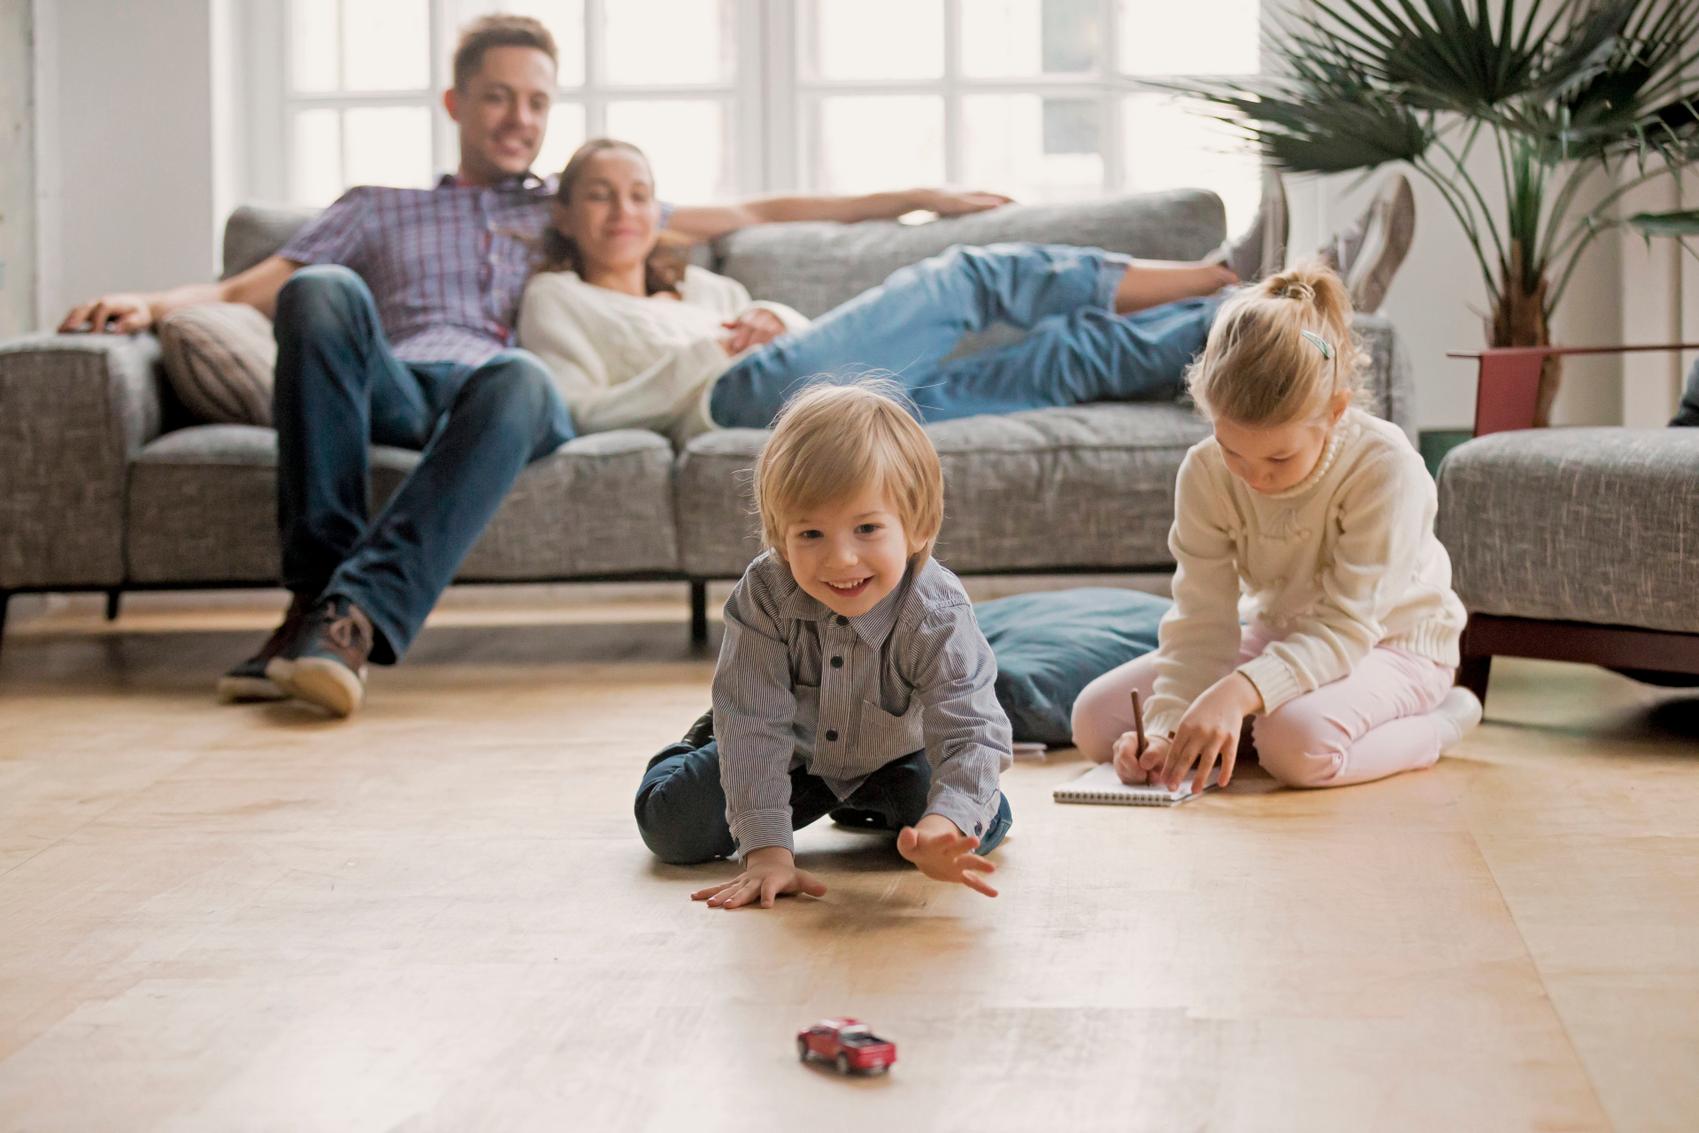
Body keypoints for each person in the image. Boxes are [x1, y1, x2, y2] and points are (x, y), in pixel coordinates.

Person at [55, 15, 1011, 718]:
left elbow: (759, 213)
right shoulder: (376, 205)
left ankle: (343, 619)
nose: (519, 117)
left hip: (505, 399)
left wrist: (919, 196)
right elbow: (256, 282)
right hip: (396, 382)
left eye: (537, 101)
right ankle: (319, 603)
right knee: (321, 293)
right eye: (499, 96)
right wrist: (149, 305)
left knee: (519, 376)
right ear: (456, 103)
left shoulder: (566, 204)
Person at [517, 138, 1418, 444]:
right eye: (598, 194)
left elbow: (799, 334)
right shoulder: (558, 300)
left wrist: (767, 319)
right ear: (565, 212)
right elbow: (577, 413)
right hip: (737, 402)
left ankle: (1304, 318)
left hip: (829, 405)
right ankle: (1230, 274)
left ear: (660, 209)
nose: (623, 210)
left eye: (638, 192)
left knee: (1066, 357)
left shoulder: (704, 284)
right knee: (967, 277)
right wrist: (709, 353)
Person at [1069, 263, 1482, 794]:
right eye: (1232, 450)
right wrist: (1166, 731)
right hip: (1280, 637)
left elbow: (1347, 627)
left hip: (1393, 643)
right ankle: (1242, 725)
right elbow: (1201, 619)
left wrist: (1237, 694)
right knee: (1095, 723)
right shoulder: (1204, 471)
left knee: (1294, 747)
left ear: (1335, 412)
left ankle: (1441, 721)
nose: (1255, 477)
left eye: (1280, 458)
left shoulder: (1385, 467)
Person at [634, 381, 1011, 909]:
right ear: (779, 535)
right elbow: (756, 727)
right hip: (790, 751)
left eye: (866, 528)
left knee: (977, 826)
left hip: (897, 754)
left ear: (918, 526)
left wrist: (943, 823)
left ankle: (872, 804)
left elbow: (971, 730)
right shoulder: (766, 594)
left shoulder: (937, 611)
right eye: (810, 535)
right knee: (671, 827)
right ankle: (702, 737)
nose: (840, 560)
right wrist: (766, 852)